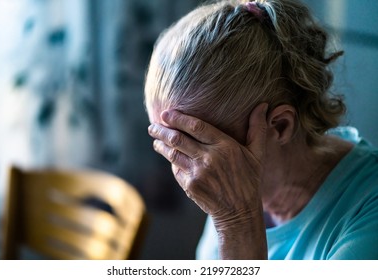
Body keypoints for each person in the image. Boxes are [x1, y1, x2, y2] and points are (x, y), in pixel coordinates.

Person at [144, 0, 378, 259]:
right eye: (174, 148)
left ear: (279, 126)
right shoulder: (226, 174)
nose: (191, 176)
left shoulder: (367, 214)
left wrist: (237, 221)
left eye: (195, 145)